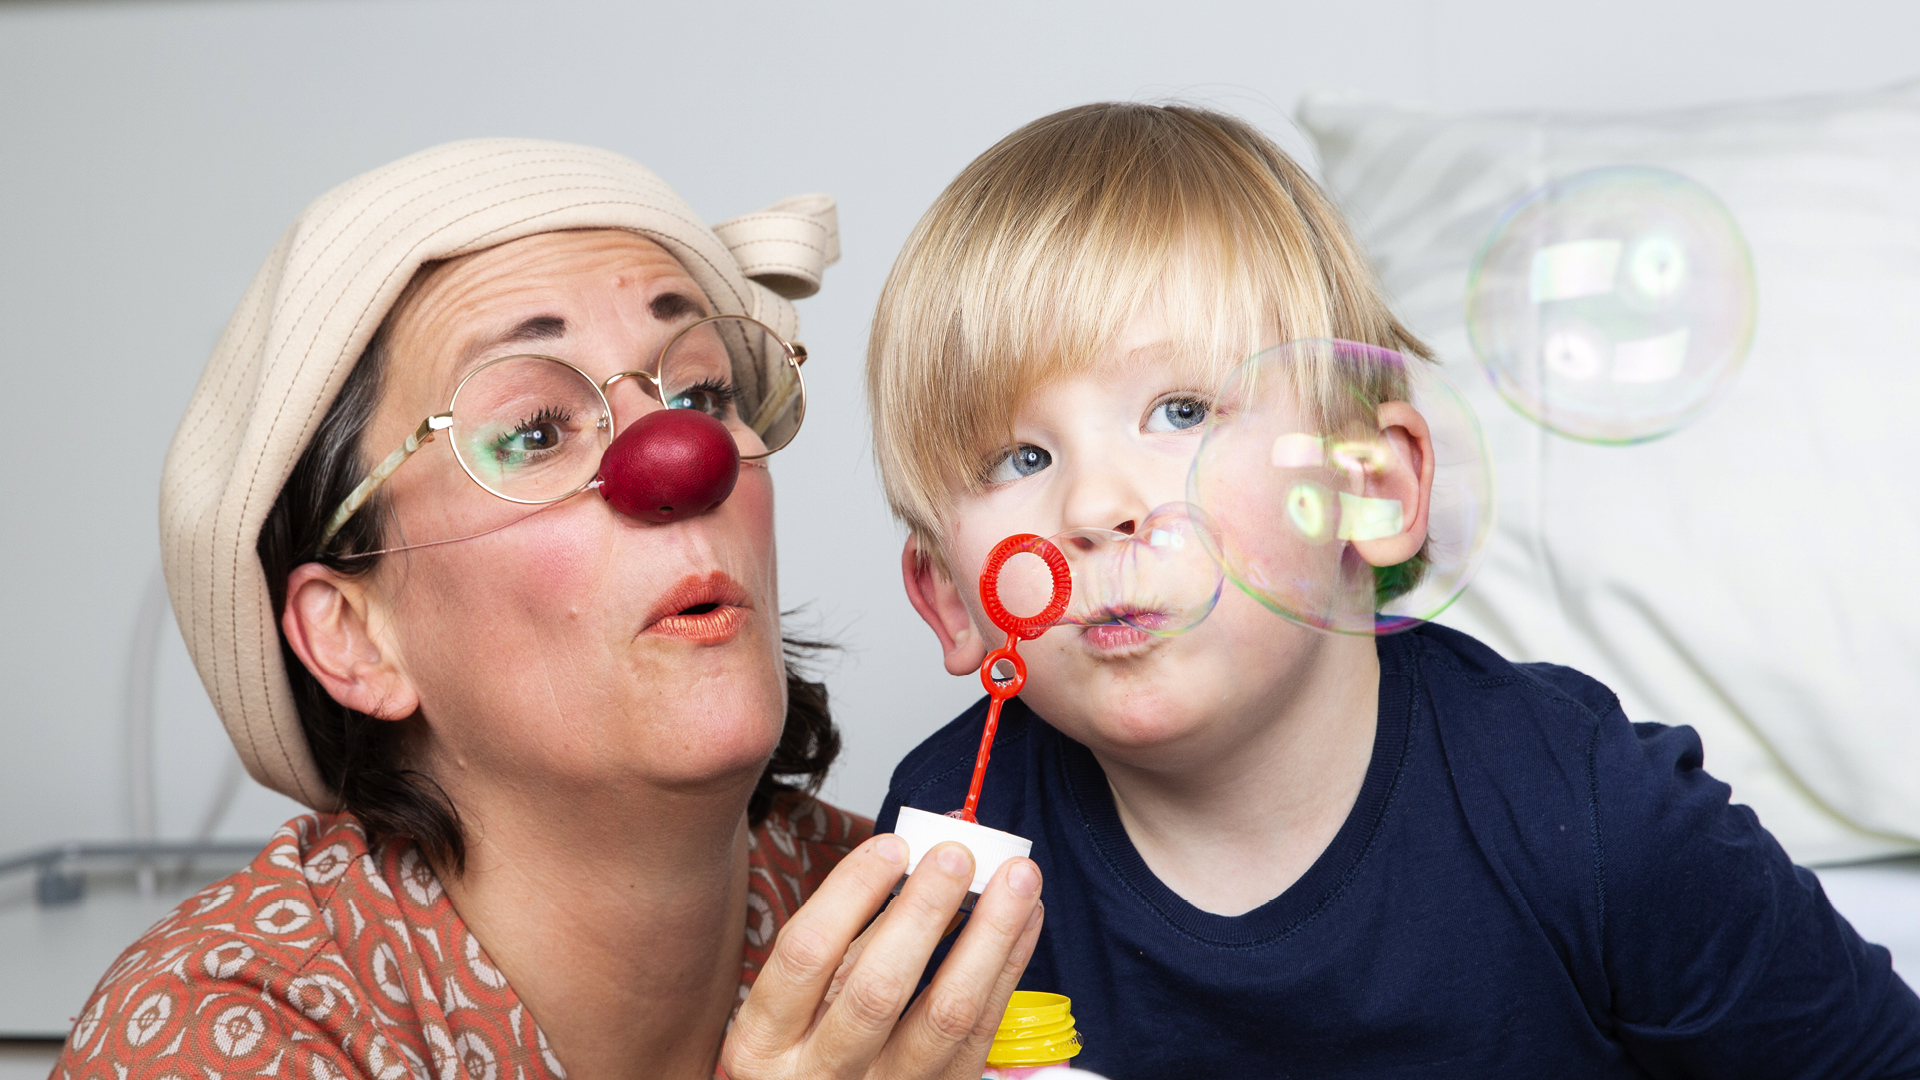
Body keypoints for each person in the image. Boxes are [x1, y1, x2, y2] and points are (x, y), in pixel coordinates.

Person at [865, 103, 1920, 1077]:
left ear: (1370, 489)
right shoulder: (948, 840)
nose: (1096, 505)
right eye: (1018, 460)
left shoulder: (1598, 816)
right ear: (954, 601)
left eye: (1182, 411)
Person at [54, 138, 1045, 1080]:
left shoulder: (933, 929)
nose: (681, 462)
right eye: (533, 431)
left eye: (701, 393)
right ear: (356, 638)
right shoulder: (221, 1036)